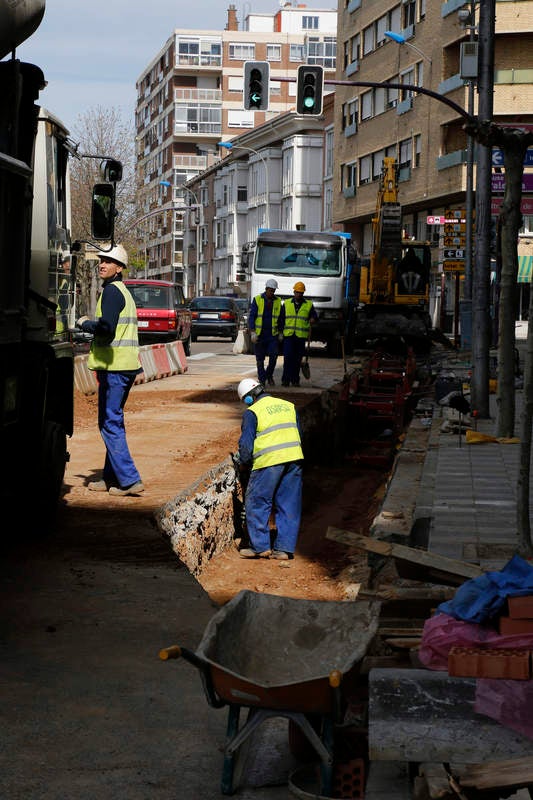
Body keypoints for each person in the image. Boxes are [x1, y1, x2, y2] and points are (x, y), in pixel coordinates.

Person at [76, 244, 144, 497]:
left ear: (119, 268)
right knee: (111, 421)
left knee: (109, 422)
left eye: (108, 261)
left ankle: (130, 479)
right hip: (122, 367)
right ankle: (111, 476)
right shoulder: (121, 291)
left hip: (116, 368)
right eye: (101, 260)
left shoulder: (112, 292)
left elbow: (106, 329)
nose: (102, 264)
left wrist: (85, 324)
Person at [236, 378, 304, 560]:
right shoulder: (288, 406)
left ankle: (259, 547)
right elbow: (299, 433)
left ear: (248, 398)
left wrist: (244, 463)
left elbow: (246, 445)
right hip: (294, 459)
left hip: (269, 461)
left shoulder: (252, 412)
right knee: (289, 504)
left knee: (257, 501)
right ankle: (284, 550)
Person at [281, 281, 318, 387]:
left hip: (300, 336)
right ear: (294, 292)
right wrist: (280, 332)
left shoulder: (308, 305)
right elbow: (281, 319)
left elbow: (315, 316)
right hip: (289, 335)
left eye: (301, 293)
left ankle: (295, 380)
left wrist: (313, 319)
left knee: (297, 359)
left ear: (303, 293)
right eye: (297, 292)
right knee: (288, 358)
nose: (299, 294)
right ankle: (285, 380)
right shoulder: (287, 303)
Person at [248, 278, 283, 385]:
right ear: (266, 289)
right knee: (260, 359)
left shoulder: (278, 301)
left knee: (274, 356)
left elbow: (280, 318)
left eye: (274, 290)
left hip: (272, 335)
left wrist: (280, 332)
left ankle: (269, 375)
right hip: (260, 334)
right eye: (271, 290)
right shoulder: (257, 299)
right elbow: (252, 316)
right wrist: (252, 331)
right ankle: (262, 380)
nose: (272, 292)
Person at [55, 253, 71, 334]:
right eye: (67, 268)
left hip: (59, 321)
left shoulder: (66, 281)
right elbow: (63, 306)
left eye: (69, 269)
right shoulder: (64, 282)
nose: (68, 271)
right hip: (58, 322)